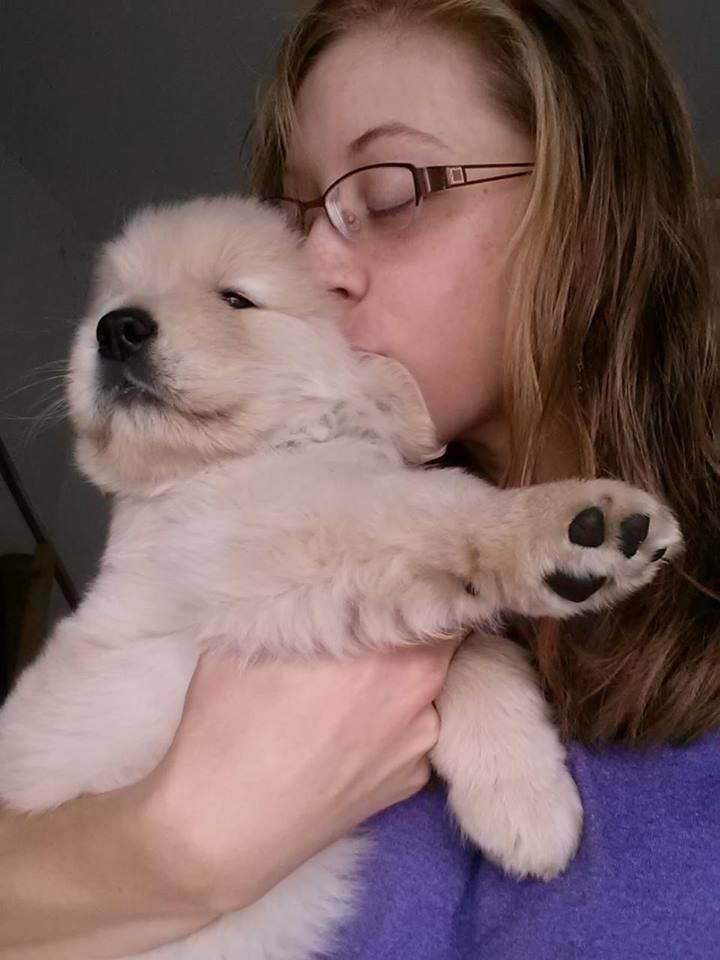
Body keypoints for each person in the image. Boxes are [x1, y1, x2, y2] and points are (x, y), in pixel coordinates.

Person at [2, 0, 718, 957]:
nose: (320, 260)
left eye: (388, 194)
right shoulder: (251, 492)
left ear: (591, 204)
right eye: (299, 213)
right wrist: (161, 852)